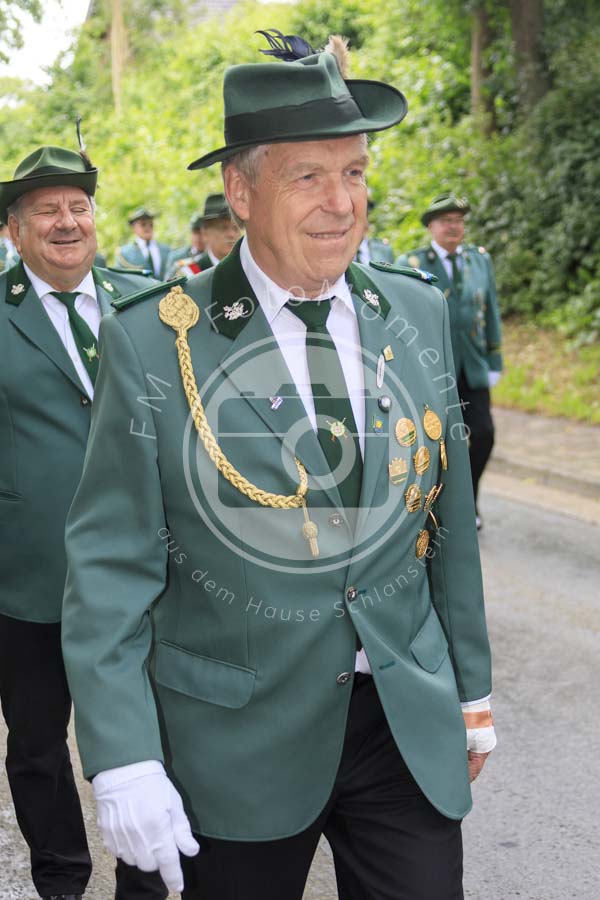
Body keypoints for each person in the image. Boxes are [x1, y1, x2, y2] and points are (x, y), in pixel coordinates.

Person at [62, 34, 497, 900]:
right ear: (241, 191)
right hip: (234, 739)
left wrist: (471, 690)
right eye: (308, 176)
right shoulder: (153, 339)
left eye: (356, 173)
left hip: (398, 719)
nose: (342, 203)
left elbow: (444, 521)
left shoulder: (416, 310)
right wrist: (124, 755)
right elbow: (110, 564)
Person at [0, 145, 169, 900]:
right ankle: (62, 879)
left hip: (146, 572)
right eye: (47, 210)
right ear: (14, 230)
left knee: (152, 736)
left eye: (78, 207)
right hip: (28, 574)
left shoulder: (152, 301)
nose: (67, 222)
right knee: (37, 745)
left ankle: (145, 881)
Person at [397, 192, 503, 527]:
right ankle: (436, 507)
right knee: (440, 442)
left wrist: (495, 359)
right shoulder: (412, 264)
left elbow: (491, 310)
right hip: (434, 369)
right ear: (431, 227)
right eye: (446, 221)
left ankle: (467, 500)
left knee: (483, 434)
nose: (453, 227)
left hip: (472, 367)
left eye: (458, 221)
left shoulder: (479, 261)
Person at [116, 207, 171, 278]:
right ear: (133, 228)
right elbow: (120, 278)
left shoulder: (166, 250)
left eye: (151, 224)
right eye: (143, 225)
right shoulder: (124, 253)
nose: (147, 227)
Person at [191, 192, 240, 270]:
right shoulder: (192, 272)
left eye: (235, 228)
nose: (231, 234)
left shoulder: (248, 269)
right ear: (205, 233)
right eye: (223, 228)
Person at [164, 211, 207, 279]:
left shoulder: (215, 256)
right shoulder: (176, 257)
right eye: (195, 233)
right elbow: (168, 282)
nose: (198, 238)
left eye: (202, 233)